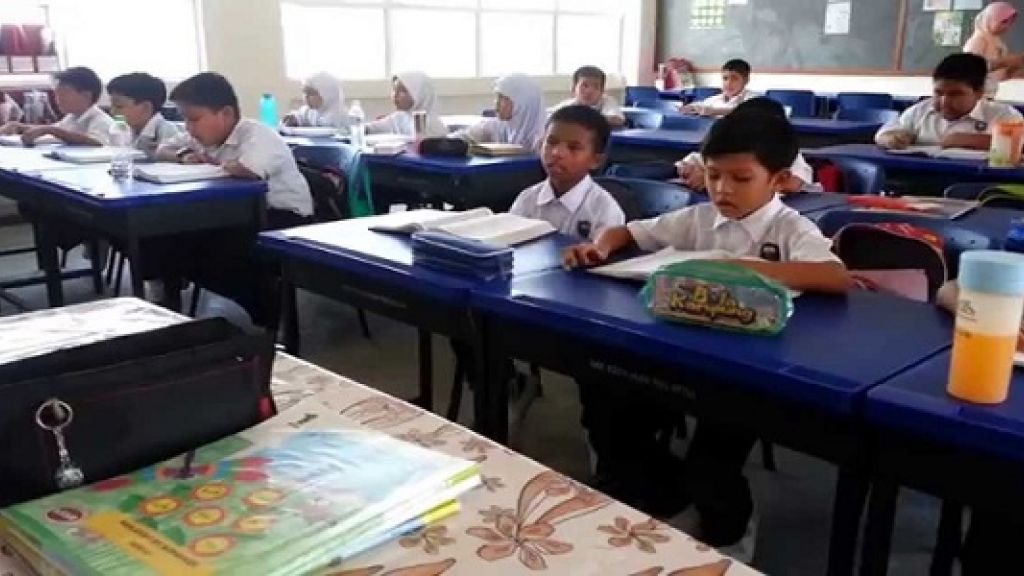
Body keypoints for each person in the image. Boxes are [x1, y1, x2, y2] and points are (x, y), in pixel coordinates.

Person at [563, 110, 850, 561]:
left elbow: (836, 277)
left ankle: (730, 530)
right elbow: (627, 231)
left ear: (778, 179)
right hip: (680, 355)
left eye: (740, 178)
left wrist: (747, 269)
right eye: (714, 175)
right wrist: (599, 246)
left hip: (751, 372)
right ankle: (671, 504)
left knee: (711, 466)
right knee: (610, 418)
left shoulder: (788, 227)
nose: (722, 189)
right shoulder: (698, 218)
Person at [157, 72, 312, 227]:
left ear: (226, 114)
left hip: (284, 216)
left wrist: (215, 164)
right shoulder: (198, 136)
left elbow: (248, 171)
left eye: (194, 119)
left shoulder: (257, 135)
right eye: (184, 119)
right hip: (238, 211)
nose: (188, 127)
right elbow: (162, 149)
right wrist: (184, 155)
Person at [510, 104, 625, 238]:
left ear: (596, 161)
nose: (557, 153)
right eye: (551, 142)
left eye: (573, 147)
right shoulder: (526, 200)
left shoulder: (605, 211)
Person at [876, 52, 1023, 151]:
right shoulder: (920, 111)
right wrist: (891, 138)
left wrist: (969, 140)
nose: (944, 102)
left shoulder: (1003, 115)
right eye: (938, 93)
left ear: (979, 93)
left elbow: (1019, 145)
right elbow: (882, 134)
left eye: (955, 94)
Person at [676, 97, 819, 193]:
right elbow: (686, 165)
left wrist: (709, 180)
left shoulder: (785, 152)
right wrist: (694, 172)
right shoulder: (730, 149)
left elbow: (792, 184)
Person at [0, 66, 112, 146]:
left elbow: (97, 143)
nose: (58, 99)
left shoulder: (100, 120)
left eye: (64, 94)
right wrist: (19, 126)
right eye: (56, 95)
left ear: (86, 95)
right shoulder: (72, 117)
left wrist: (50, 130)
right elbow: (53, 129)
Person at [461, 74, 547, 152]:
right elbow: (466, 136)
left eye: (503, 98)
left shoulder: (544, 141)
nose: (497, 103)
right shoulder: (499, 126)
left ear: (522, 103)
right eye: (497, 97)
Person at [106, 72, 180, 158]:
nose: (112, 112)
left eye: (119, 106)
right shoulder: (124, 129)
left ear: (146, 107)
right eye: (112, 106)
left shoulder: (167, 132)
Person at [964, 2, 1023, 98]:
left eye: (1010, 23)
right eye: (1003, 22)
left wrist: (1014, 67)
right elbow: (970, 68)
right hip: (978, 96)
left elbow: (999, 73)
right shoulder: (978, 40)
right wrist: (1005, 62)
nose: (1006, 27)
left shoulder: (998, 42)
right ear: (989, 19)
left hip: (993, 93)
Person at [365, 71, 446, 137]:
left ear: (420, 94)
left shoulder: (434, 126)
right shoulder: (398, 118)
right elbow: (368, 129)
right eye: (394, 90)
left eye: (402, 91)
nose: (395, 94)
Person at [551, 66, 626, 129]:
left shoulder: (607, 101)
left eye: (596, 87)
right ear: (573, 89)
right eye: (584, 86)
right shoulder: (569, 105)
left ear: (602, 91)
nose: (589, 91)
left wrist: (581, 119)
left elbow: (617, 120)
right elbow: (551, 117)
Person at [681, 59, 753, 118]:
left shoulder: (752, 98)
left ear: (746, 81)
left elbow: (744, 112)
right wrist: (690, 108)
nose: (728, 83)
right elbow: (701, 106)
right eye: (725, 78)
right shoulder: (714, 100)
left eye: (734, 79)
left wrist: (713, 111)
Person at [282, 72, 349, 130]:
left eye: (311, 93)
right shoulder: (310, 110)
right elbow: (301, 116)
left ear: (327, 94)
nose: (306, 97)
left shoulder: (337, 115)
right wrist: (294, 119)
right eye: (305, 92)